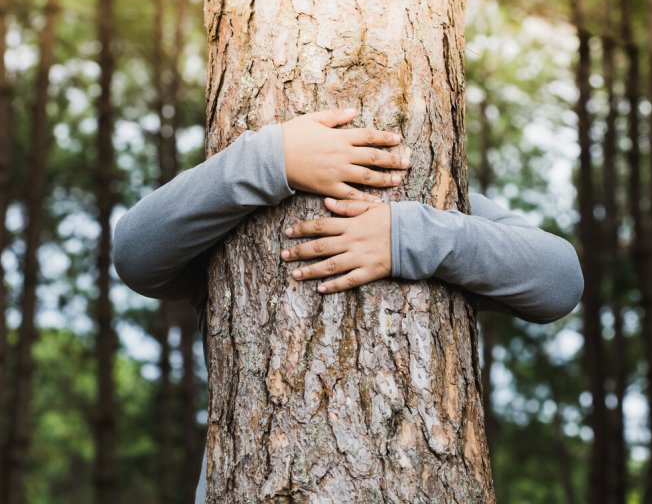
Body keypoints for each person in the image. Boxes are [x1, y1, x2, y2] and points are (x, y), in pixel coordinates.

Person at [112, 107, 584, 503]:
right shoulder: (228, 218)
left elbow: (559, 279)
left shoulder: (436, 199)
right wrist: (271, 159)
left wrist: (409, 234)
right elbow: (135, 252)